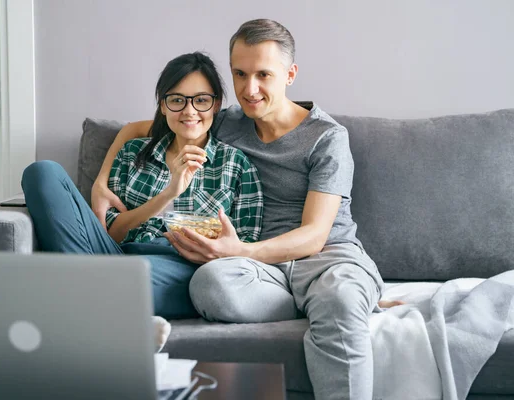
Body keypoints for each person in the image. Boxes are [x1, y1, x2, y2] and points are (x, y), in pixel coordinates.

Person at [91, 19, 389, 400]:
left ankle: (338, 299)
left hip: (325, 259)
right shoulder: (230, 122)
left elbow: (315, 234)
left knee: (339, 299)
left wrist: (241, 250)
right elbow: (138, 128)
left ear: (290, 74)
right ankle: (310, 306)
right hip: (261, 273)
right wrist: (102, 181)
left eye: (264, 74)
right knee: (209, 284)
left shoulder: (327, 138)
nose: (250, 90)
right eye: (240, 74)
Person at [21, 52, 263, 348]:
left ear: (216, 104)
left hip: (183, 267)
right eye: (177, 100)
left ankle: (97, 301)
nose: (189, 111)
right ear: (163, 105)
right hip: (113, 253)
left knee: (118, 280)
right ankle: (112, 305)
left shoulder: (236, 165)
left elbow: (246, 248)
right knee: (43, 172)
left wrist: (217, 248)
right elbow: (111, 231)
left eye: (201, 100)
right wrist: (168, 194)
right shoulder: (133, 153)